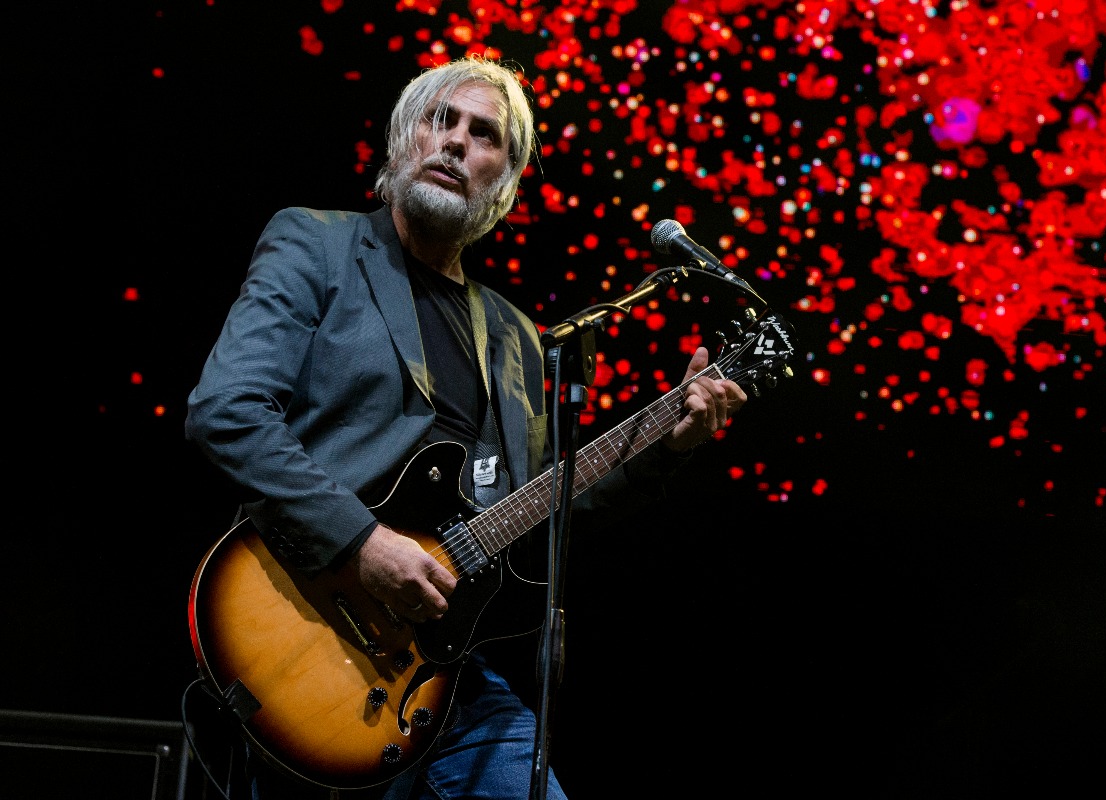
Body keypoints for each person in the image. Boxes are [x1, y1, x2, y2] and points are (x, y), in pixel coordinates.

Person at [185, 55, 746, 800]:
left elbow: (547, 509)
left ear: (506, 180)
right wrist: (361, 540)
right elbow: (226, 411)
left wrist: (665, 444)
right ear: (402, 142)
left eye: (483, 134)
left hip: (447, 675)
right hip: (310, 630)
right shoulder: (315, 246)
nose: (455, 141)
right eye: (438, 120)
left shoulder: (518, 338)